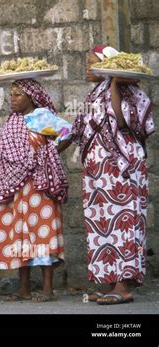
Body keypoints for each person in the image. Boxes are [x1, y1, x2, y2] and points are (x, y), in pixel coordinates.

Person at [59, 45, 155, 305]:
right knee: (102, 226)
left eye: (92, 62)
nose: (87, 67)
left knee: (123, 223)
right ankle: (111, 283)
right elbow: (76, 129)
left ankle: (124, 287)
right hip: (97, 174)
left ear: (107, 65)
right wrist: (51, 146)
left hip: (122, 170)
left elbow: (123, 122)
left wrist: (114, 82)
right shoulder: (92, 96)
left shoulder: (131, 92)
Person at [0, 78, 71, 302]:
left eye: (18, 94)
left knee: (43, 232)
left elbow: (68, 132)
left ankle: (48, 289)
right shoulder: (12, 121)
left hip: (40, 184)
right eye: (11, 94)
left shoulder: (42, 117)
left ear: (31, 97)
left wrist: (48, 153)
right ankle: (24, 289)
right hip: (16, 187)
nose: (13, 99)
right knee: (20, 235)